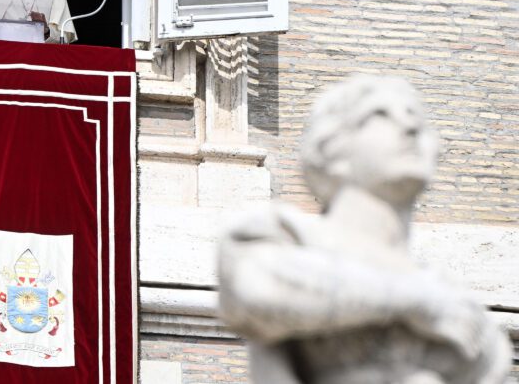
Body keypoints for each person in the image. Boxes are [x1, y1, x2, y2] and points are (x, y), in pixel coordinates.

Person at [218, 75, 511, 384]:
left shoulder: (460, 304)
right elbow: (256, 289)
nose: (411, 129)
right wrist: (417, 300)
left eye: (419, 122)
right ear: (331, 149)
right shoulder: (283, 238)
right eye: (381, 114)